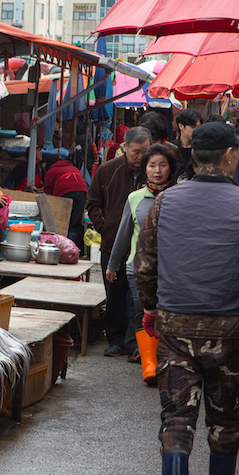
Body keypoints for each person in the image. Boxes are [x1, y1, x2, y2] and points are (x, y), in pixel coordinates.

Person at [135, 122, 239, 475]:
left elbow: (144, 265)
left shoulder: (164, 203)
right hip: (230, 330)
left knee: (176, 418)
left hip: (175, 327)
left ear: (193, 157)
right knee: (225, 418)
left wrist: (149, 309)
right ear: (231, 156)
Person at [106, 142, 179, 385]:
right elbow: (123, 234)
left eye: (162, 165)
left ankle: (163, 358)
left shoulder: (179, 197)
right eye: (152, 165)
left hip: (171, 269)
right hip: (136, 268)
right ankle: (149, 364)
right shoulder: (135, 198)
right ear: (144, 169)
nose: (157, 170)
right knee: (141, 312)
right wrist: (112, 265)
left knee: (166, 314)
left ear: (171, 168)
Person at [89, 127, 151, 358]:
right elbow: (93, 203)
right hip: (112, 244)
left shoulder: (152, 174)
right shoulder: (107, 171)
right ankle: (115, 339)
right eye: (136, 151)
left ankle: (136, 341)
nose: (140, 157)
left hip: (142, 249)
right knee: (114, 294)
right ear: (124, 148)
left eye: (145, 152)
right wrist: (104, 228)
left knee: (138, 299)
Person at [41, 147, 88, 245]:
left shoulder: (51, 171)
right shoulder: (73, 168)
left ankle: (64, 246)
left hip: (65, 191)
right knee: (75, 222)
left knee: (63, 221)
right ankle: (73, 247)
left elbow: (48, 192)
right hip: (82, 190)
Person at [173, 108, 203, 181]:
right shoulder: (171, 148)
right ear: (181, 126)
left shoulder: (202, 148)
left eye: (198, 127)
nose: (196, 130)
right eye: (193, 127)